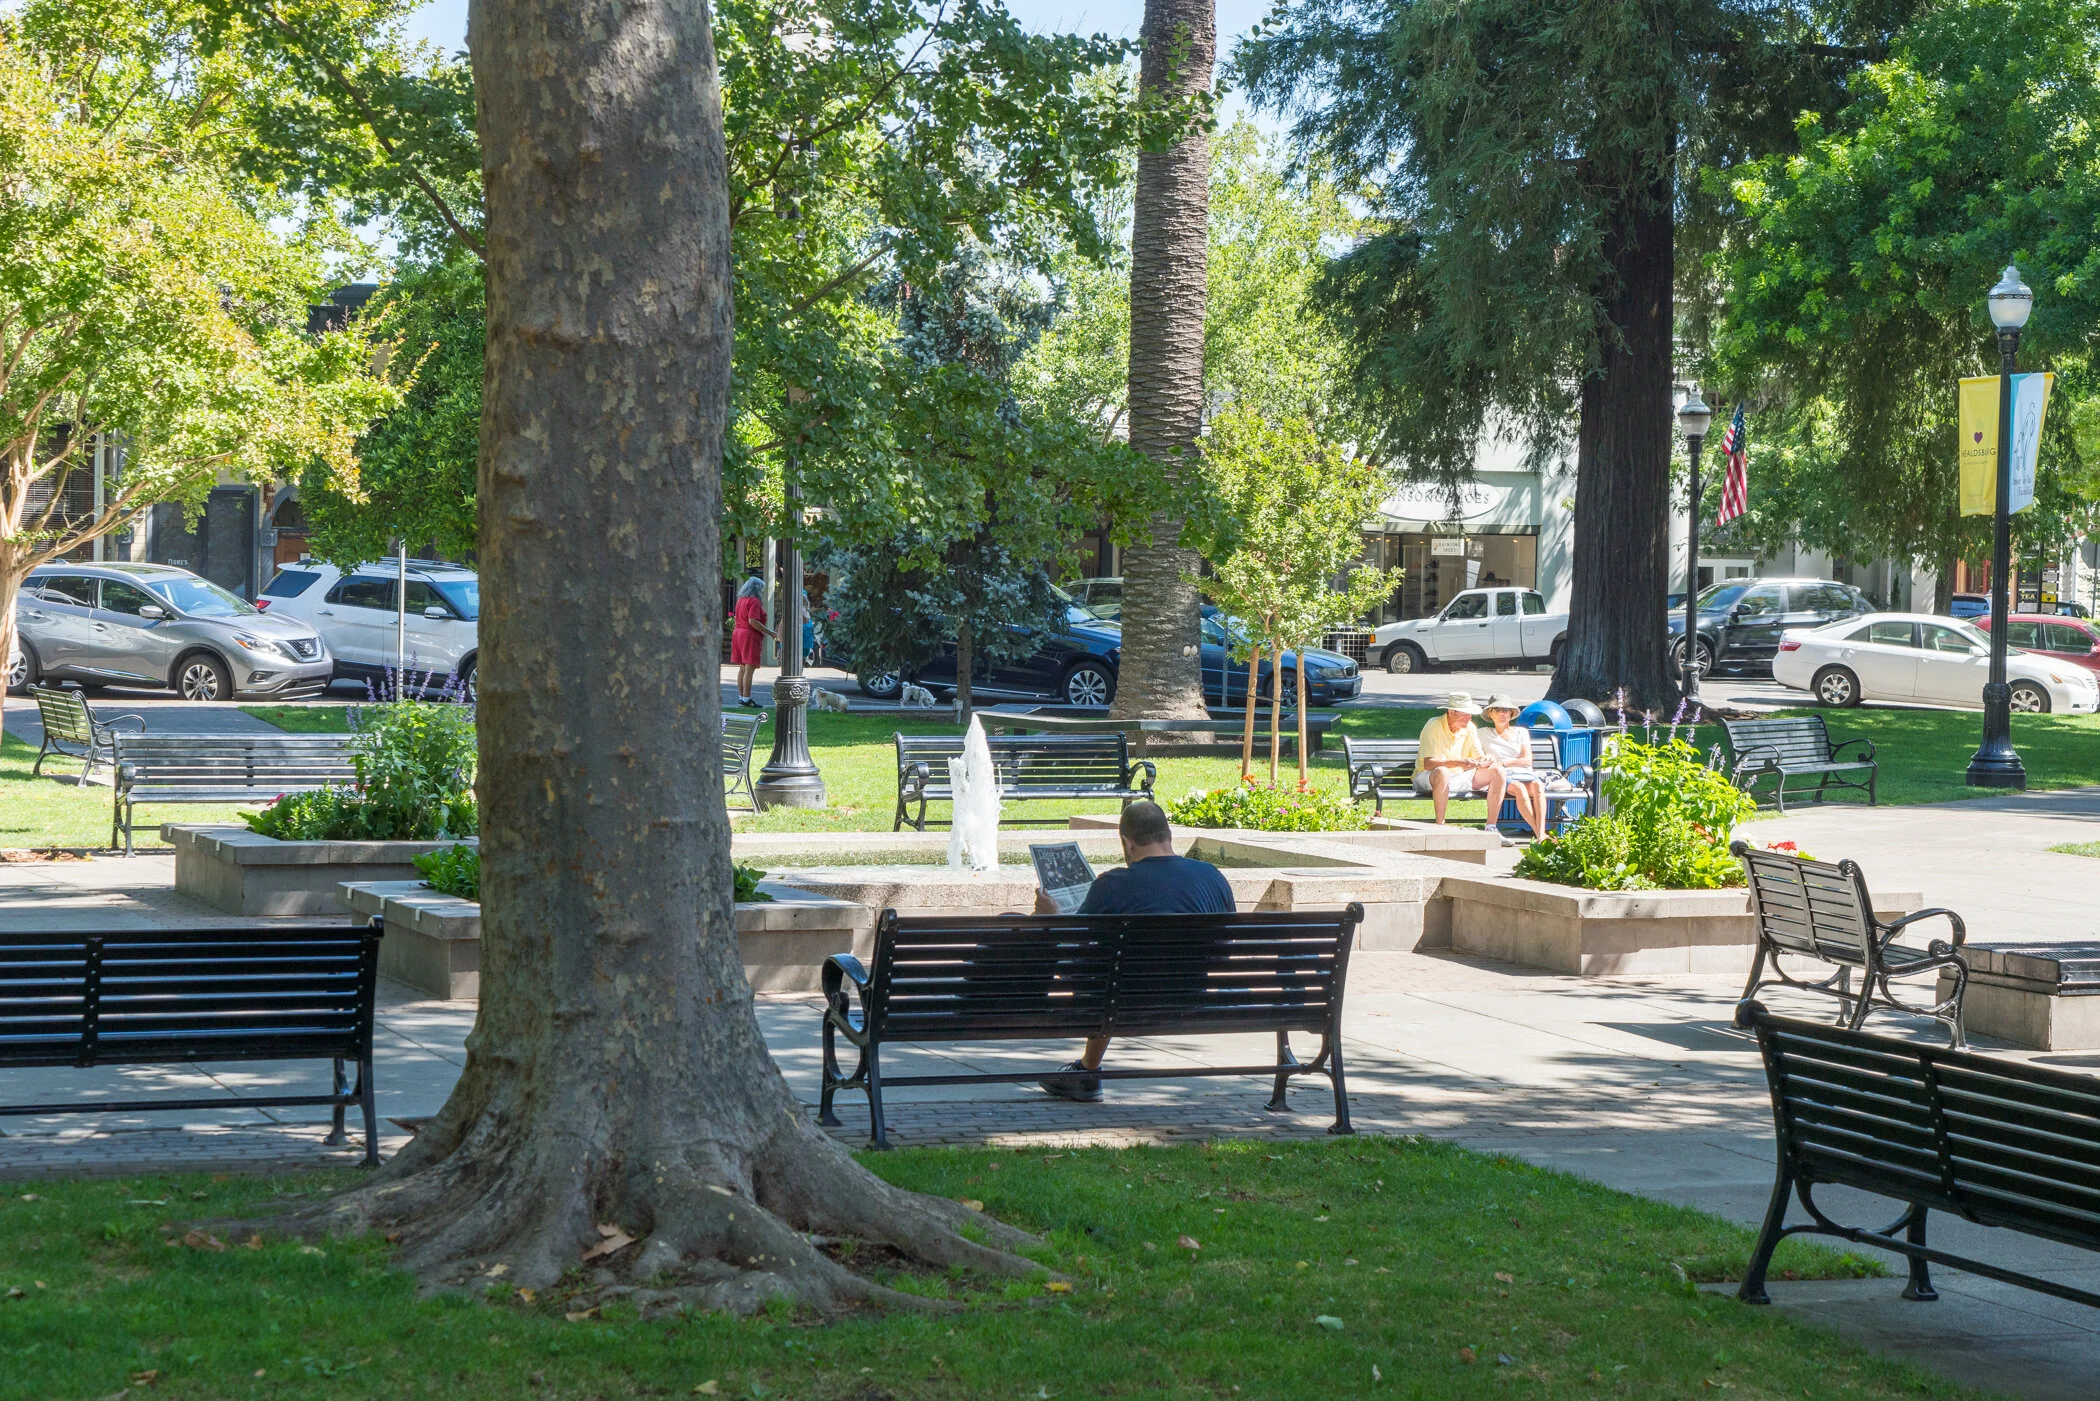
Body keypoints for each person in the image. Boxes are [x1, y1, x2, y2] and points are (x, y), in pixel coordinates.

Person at [1035, 800, 1234, 1103]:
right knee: (1113, 972)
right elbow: (1225, 947)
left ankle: (1089, 1072)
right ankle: (1088, 1070)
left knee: (1106, 974)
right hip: (1196, 997)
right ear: (1168, 835)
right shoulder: (1212, 877)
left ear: (1128, 843)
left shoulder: (1114, 884)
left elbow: (1074, 945)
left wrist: (1051, 917)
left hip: (1122, 1001)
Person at [1415, 692, 1504, 826]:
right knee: (1443, 772)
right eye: (1465, 714)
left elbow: (1478, 757)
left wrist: (1486, 759)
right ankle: (1440, 826)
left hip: (1458, 776)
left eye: (1470, 714)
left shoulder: (1470, 728)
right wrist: (1459, 762)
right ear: (1451, 712)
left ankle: (1491, 827)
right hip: (1428, 777)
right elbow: (1428, 764)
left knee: (1498, 771)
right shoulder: (1433, 725)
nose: (1469, 718)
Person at [1481, 693, 1548, 840]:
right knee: (1519, 788)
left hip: (1524, 773)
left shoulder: (1520, 732)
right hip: (1503, 776)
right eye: (1497, 710)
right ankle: (1540, 835)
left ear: (1511, 713)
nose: (1502, 714)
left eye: (1505, 710)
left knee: (1538, 786)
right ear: (1490, 713)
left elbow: (1527, 760)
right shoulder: (1483, 734)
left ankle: (1541, 831)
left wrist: (1504, 762)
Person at [729, 577, 774, 708]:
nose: (762, 591)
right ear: (757, 588)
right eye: (762, 589)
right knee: (749, 668)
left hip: (738, 633)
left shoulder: (741, 600)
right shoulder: (754, 601)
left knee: (742, 668)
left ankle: (741, 698)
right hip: (749, 635)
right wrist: (770, 632)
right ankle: (746, 699)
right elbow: (753, 621)